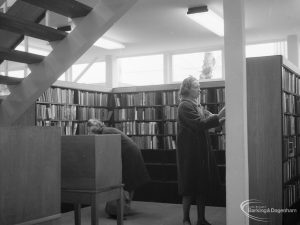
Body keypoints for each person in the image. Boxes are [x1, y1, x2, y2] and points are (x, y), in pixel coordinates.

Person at [176, 76, 225, 225]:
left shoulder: (197, 105)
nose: (200, 89)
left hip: (200, 152)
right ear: (187, 89)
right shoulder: (184, 106)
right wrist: (220, 116)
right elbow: (199, 124)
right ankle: (185, 219)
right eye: (196, 86)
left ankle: (201, 219)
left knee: (201, 186)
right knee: (189, 186)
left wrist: (219, 117)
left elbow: (209, 118)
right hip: (189, 154)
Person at [87, 119, 150, 216]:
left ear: (95, 127)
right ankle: (124, 207)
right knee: (129, 180)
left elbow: (109, 150)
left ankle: (124, 208)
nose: (89, 132)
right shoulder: (106, 131)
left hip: (129, 154)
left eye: (90, 129)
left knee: (129, 180)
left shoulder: (106, 132)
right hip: (129, 153)